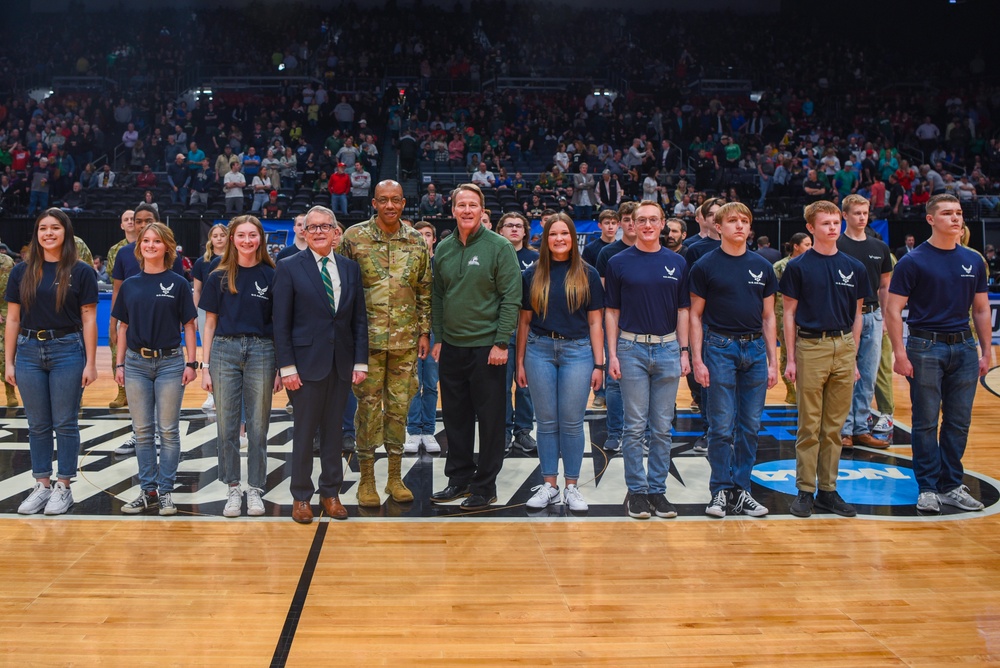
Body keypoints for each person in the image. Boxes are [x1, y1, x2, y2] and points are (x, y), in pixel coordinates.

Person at [885, 194, 991, 513]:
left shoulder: (974, 260)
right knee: (926, 421)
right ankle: (928, 487)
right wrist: (899, 353)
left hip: (964, 347)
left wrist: (987, 351)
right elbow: (892, 310)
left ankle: (951, 485)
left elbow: (982, 309)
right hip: (924, 346)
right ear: (931, 219)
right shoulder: (912, 261)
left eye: (958, 213)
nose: (956, 218)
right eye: (947, 213)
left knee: (958, 421)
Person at [339, 181, 432, 508]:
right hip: (366, 344)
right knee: (367, 410)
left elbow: (424, 289)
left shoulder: (417, 240)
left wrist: (423, 332)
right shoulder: (353, 238)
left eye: (395, 200)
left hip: (405, 343)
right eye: (383, 200)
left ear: (404, 203)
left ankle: (395, 476)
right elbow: (341, 289)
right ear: (374, 203)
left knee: (398, 409)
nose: (390, 205)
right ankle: (367, 477)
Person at [273, 206, 368, 524]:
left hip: (341, 364)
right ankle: (301, 496)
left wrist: (360, 361)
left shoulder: (350, 269)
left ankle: (330, 493)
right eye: (311, 227)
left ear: (335, 232)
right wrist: (286, 367)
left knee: (334, 433)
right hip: (304, 366)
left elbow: (359, 320)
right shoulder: (288, 267)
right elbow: (280, 323)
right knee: (304, 434)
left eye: (324, 226)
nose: (317, 231)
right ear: (304, 231)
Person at [429, 184, 521, 511]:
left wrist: (500, 342)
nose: (467, 210)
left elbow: (512, 298)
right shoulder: (443, 248)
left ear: (483, 211)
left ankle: (485, 486)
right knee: (456, 417)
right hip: (452, 347)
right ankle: (459, 477)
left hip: (487, 348)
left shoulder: (500, 247)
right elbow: (438, 296)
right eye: (461, 205)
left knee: (491, 420)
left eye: (473, 205)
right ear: (452, 210)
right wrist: (438, 337)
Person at [5, 209, 98, 515]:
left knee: (65, 422)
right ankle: (42, 485)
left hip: (67, 349)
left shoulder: (81, 271)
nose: (48, 233)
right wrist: (9, 362)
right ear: (37, 234)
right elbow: (13, 319)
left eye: (55, 228)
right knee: (37, 424)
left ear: (65, 233)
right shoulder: (21, 271)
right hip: (28, 350)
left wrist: (91, 363)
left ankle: (64, 486)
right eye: (43, 228)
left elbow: (88, 319)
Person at [780, 200, 868, 519]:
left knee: (834, 427)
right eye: (826, 223)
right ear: (811, 228)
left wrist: (853, 356)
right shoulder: (798, 267)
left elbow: (857, 315)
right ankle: (805, 489)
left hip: (843, 346)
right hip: (810, 346)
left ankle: (828, 491)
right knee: (809, 425)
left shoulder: (854, 267)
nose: (833, 228)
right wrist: (790, 358)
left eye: (835, 222)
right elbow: (788, 314)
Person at [689, 202, 777, 518]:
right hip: (719, 347)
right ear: (720, 226)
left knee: (750, 426)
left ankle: (742, 491)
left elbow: (769, 318)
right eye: (732, 221)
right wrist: (697, 359)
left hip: (754, 350)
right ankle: (719, 491)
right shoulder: (704, 265)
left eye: (744, 221)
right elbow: (695, 317)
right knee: (722, 426)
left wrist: (773, 360)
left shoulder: (762, 266)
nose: (739, 226)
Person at [605, 201, 689, 520]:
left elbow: (683, 310)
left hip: (667, 348)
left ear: (663, 223)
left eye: (654, 220)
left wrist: (683, 352)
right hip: (631, 348)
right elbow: (611, 312)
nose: (648, 225)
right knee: (634, 427)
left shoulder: (678, 262)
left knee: (662, 428)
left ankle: (658, 490)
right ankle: (637, 492)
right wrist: (611, 354)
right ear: (633, 224)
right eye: (642, 220)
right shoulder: (618, 262)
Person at [516, 213, 604, 512]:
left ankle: (571, 486)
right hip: (538, 350)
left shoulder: (588, 273)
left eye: (564, 234)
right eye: (553, 234)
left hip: (578, 351)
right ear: (545, 238)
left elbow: (595, 323)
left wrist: (599, 364)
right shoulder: (532, 274)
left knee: (571, 422)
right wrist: (519, 363)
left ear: (573, 238)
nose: (559, 239)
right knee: (546, 422)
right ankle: (550, 485)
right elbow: (524, 323)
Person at [113, 222, 198, 516]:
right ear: (140, 247)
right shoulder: (130, 285)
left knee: (169, 431)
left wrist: (191, 362)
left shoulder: (178, 283)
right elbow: (123, 327)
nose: (150, 245)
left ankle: (165, 492)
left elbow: (189, 325)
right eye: (146, 241)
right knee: (143, 431)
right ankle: (147, 491)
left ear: (167, 247)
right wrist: (120, 363)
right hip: (135, 363)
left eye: (156, 241)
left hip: (170, 363)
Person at [200, 215, 281, 518]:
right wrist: (205, 365)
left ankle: (256, 487)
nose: (247, 241)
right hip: (224, 350)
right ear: (232, 239)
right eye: (241, 235)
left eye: (253, 235)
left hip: (262, 350)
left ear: (261, 239)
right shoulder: (217, 276)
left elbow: (278, 325)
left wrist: (279, 368)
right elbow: (209, 324)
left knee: (259, 425)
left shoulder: (273, 276)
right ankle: (233, 487)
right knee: (227, 425)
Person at [108, 204, 188, 456]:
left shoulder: (169, 258)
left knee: (166, 414)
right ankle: (139, 435)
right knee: (139, 401)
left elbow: (177, 297)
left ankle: (158, 442)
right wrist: (114, 322)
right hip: (133, 330)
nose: (142, 224)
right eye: (138, 221)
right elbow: (118, 290)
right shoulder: (122, 254)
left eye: (148, 220)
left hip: (164, 340)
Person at [836, 194, 893, 450]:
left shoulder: (879, 247)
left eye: (865, 213)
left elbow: (884, 287)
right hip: (845, 316)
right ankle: (843, 429)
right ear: (844, 215)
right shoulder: (836, 244)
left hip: (873, 315)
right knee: (847, 375)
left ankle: (860, 428)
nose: (862, 217)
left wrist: (886, 318)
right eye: (856, 213)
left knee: (869, 375)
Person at [594, 201, 639, 452]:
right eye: (627, 219)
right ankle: (614, 431)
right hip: (617, 323)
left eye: (636, 218)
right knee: (615, 380)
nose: (632, 223)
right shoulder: (608, 254)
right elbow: (603, 293)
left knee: (644, 381)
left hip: (645, 323)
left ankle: (641, 432)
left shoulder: (654, 250)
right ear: (620, 222)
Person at [497, 212, 538, 454]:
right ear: (500, 230)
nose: (514, 229)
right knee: (501, 386)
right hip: (502, 331)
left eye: (518, 226)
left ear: (525, 232)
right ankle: (503, 430)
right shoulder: (494, 255)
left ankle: (523, 431)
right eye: (509, 225)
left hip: (529, 332)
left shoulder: (536, 259)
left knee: (524, 386)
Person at [405, 221, 442, 454]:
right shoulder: (406, 263)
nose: (423, 237)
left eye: (428, 234)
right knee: (411, 383)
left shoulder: (441, 264)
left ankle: (428, 430)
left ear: (434, 240)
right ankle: (412, 430)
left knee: (430, 382)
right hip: (409, 330)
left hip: (436, 330)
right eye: (419, 234)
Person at [192, 224, 228, 412]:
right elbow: (197, 290)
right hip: (207, 311)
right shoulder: (202, 262)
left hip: (227, 311)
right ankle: (210, 393)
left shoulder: (234, 259)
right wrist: (196, 314)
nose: (219, 238)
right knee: (208, 351)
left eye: (223, 235)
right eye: (215, 235)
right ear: (210, 239)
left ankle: (224, 393)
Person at [773, 232, 812, 404]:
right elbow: (771, 296)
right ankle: (791, 391)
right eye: (807, 244)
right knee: (787, 353)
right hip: (783, 314)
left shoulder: (813, 264)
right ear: (796, 246)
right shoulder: (780, 266)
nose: (810, 248)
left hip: (806, 313)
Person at [106, 209, 135, 409]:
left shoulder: (149, 244)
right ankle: (121, 392)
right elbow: (115, 284)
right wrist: (113, 319)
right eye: (126, 219)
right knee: (117, 351)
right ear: (121, 225)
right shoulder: (115, 250)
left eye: (133, 218)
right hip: (124, 307)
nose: (130, 222)